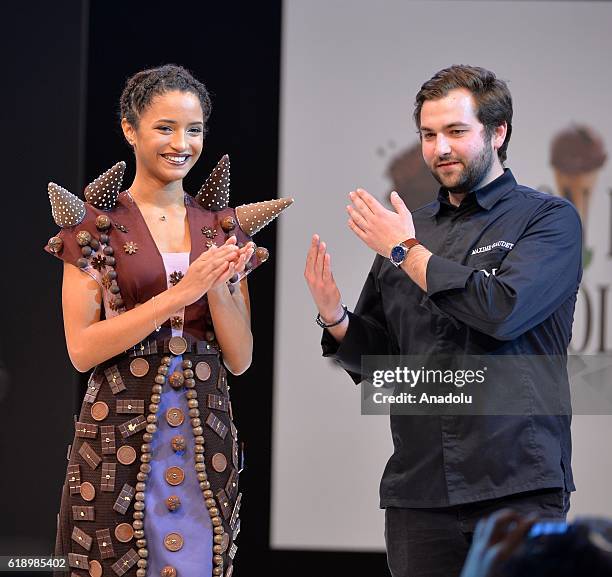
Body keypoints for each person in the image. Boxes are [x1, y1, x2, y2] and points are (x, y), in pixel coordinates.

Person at [304, 65, 582, 577]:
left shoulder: (547, 219)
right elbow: (382, 366)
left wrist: (405, 250)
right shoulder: (413, 225)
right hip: (419, 490)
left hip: (517, 484)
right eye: (429, 135)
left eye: (456, 132)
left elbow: (503, 311)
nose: (440, 149)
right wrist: (335, 316)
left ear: (498, 133)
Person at [46, 64, 291, 577]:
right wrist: (181, 293)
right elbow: (82, 350)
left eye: (194, 129)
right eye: (165, 127)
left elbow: (242, 359)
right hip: (118, 432)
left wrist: (219, 286)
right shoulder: (98, 228)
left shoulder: (220, 229)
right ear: (129, 129)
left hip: (206, 433)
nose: (183, 143)